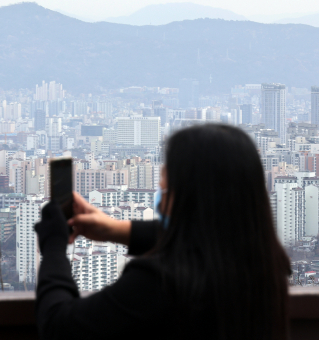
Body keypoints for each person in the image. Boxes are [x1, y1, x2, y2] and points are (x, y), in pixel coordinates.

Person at [34, 124, 291, 340]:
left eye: (165, 189)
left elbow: (59, 326)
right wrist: (117, 230)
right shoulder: (267, 264)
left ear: (189, 199)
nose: (160, 192)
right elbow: (207, 238)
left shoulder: (158, 282)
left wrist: (54, 246)